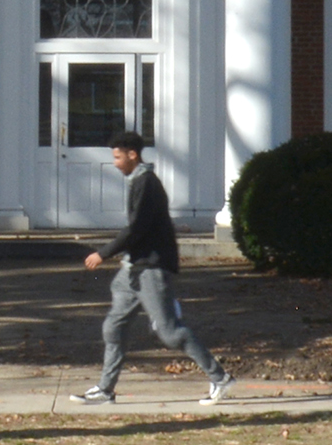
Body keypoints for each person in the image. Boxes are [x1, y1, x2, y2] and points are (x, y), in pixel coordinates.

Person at [70, 129, 234, 405]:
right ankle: (105, 389)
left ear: (133, 155)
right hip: (134, 268)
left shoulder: (147, 183)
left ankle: (220, 378)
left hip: (152, 269)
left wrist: (103, 253)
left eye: (118, 157)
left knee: (170, 333)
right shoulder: (138, 180)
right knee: (113, 327)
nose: (115, 163)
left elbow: (137, 229)